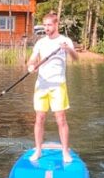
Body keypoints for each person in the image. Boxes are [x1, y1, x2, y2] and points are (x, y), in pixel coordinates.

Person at [27, 11, 78, 164]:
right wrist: (30, 66)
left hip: (58, 86)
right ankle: (38, 150)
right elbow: (31, 59)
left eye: (49, 25)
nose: (47, 28)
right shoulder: (41, 42)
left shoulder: (65, 40)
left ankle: (65, 152)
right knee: (39, 118)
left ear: (56, 25)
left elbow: (76, 58)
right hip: (41, 85)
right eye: (45, 25)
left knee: (61, 119)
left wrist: (67, 49)